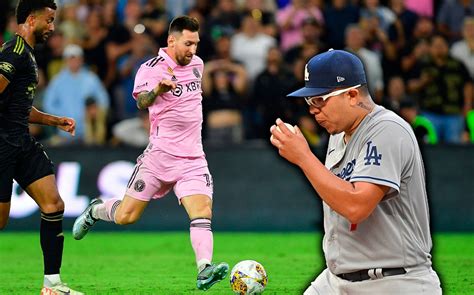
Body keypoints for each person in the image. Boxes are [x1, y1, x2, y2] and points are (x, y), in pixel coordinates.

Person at [72, 15, 229, 291]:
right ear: (171, 40)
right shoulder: (150, 69)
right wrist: (158, 89)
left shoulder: (197, 65)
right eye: (188, 43)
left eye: (196, 43)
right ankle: (96, 210)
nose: (193, 49)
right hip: (158, 157)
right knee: (126, 217)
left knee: (202, 211)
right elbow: (142, 103)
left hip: (193, 158)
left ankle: (204, 269)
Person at [270, 49, 442, 294]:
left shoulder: (387, 130)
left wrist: (304, 157)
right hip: (336, 281)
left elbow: (356, 207)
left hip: (394, 281)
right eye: (309, 101)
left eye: (320, 99)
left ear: (351, 95)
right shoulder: (338, 134)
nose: (312, 109)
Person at [0, 1, 83, 294]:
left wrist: (54, 120)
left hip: (21, 141)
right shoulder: (15, 52)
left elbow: (19, 104)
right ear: (31, 20)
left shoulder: (29, 54)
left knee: (54, 205)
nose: (52, 27)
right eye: (48, 20)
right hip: (2, 145)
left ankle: (52, 285)